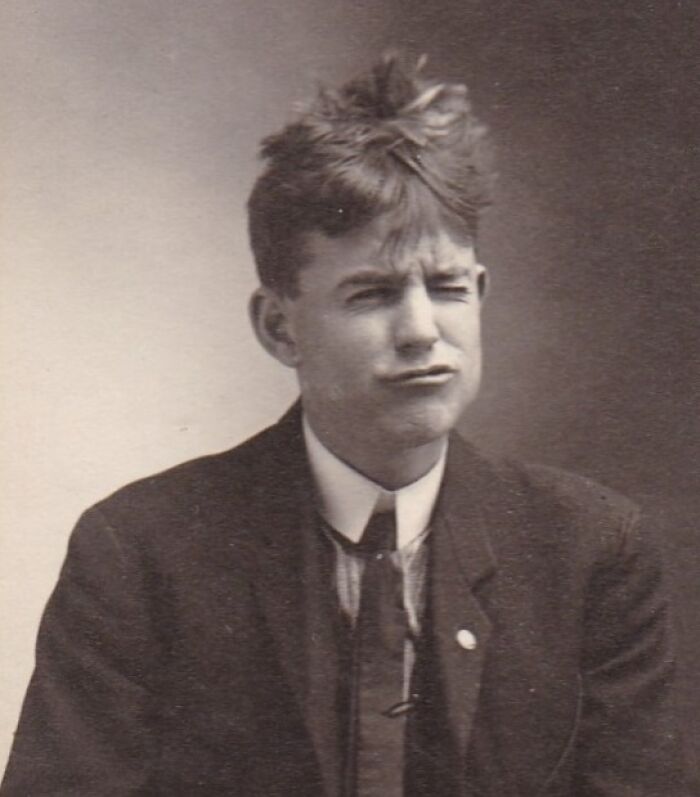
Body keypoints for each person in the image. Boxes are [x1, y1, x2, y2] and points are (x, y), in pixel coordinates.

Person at [1, 55, 690, 796]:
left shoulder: (588, 549)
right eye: (372, 293)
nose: (423, 330)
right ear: (279, 326)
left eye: (448, 287)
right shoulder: (141, 551)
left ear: (481, 294)